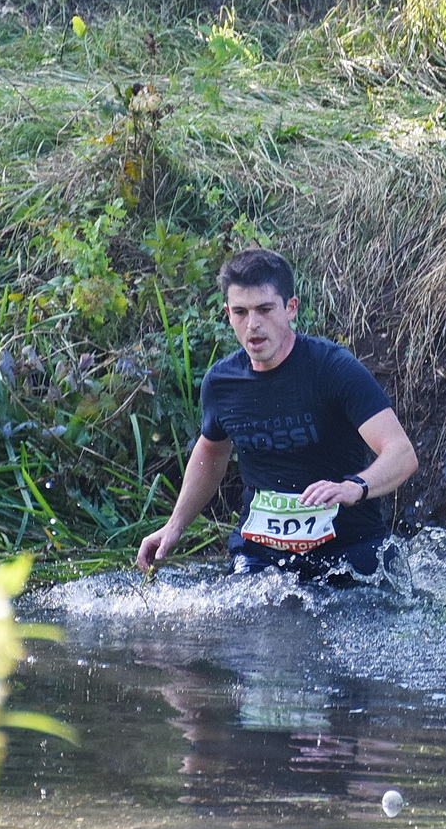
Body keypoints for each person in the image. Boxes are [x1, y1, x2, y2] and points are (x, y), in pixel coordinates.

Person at [136, 247, 418, 583]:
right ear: (228, 314)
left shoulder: (333, 369)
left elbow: (401, 453)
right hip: (262, 553)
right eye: (240, 312)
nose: (253, 324)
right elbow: (211, 452)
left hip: (350, 547)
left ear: (290, 308)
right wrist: (175, 525)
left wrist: (355, 486)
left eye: (264, 309)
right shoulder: (222, 383)